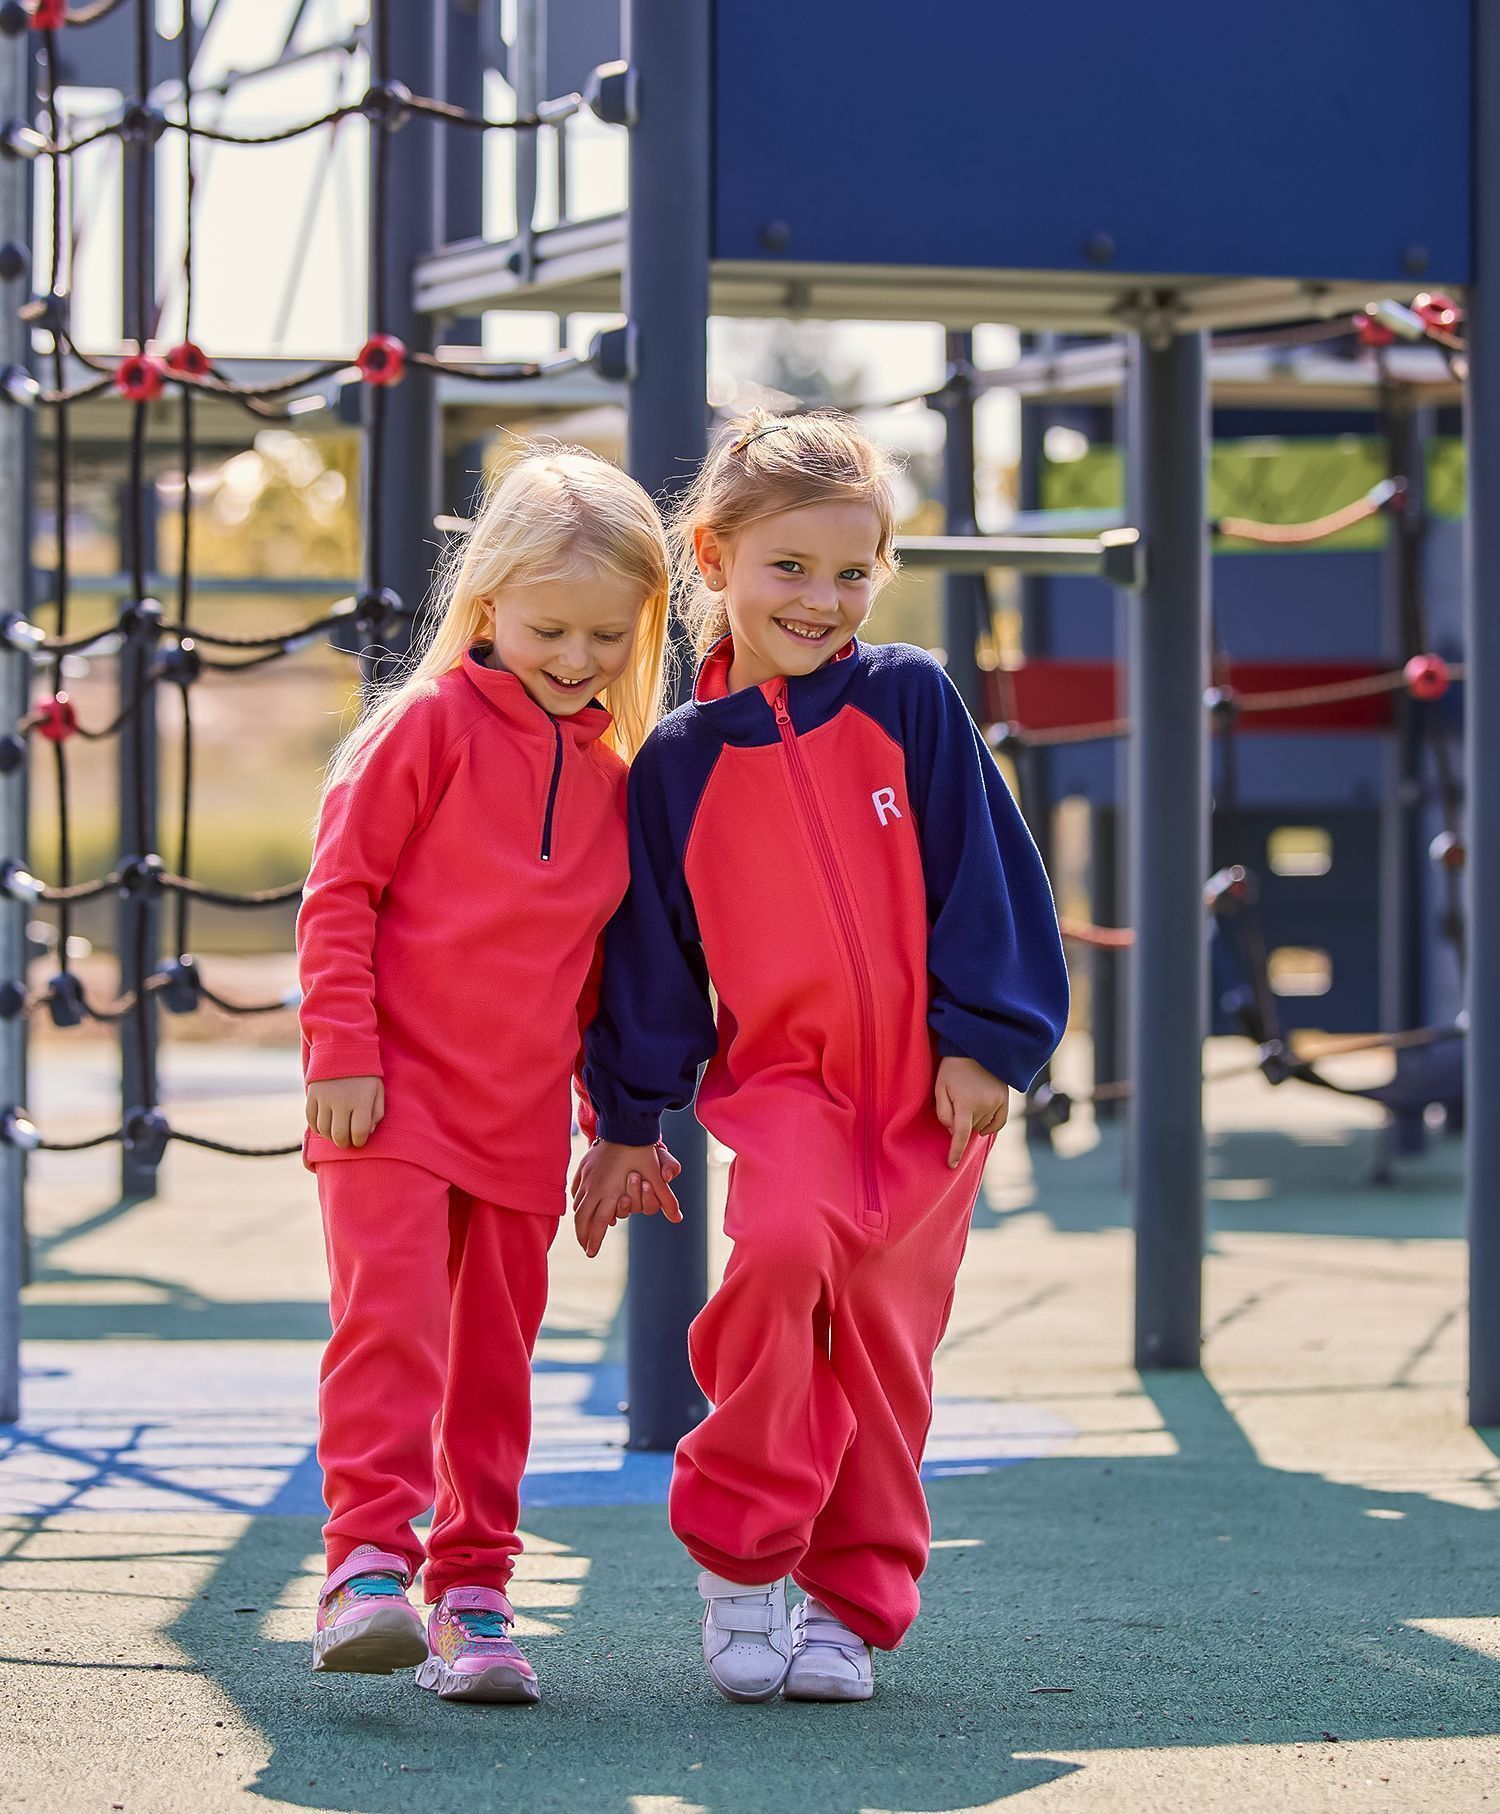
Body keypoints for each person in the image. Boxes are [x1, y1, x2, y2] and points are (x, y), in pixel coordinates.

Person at [574, 410, 1069, 1704]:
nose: (821, 598)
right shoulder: (676, 763)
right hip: (786, 1088)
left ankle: (849, 1607)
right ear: (714, 556)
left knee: (888, 1351)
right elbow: (652, 962)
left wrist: (988, 1041)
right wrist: (628, 1119)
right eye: (788, 566)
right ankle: (742, 1557)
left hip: (931, 1100)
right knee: (784, 1255)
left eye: (853, 571)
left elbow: (988, 876)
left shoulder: (911, 699)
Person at [298, 446, 672, 1704]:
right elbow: (339, 897)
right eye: (549, 628)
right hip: (388, 1104)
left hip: (517, 1125)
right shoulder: (423, 729)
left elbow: (597, 975)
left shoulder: (619, 780)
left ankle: (473, 1593)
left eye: (606, 635)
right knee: (393, 1328)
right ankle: (363, 1568)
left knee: (496, 1366)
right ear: (490, 599)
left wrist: (618, 1124)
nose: (576, 656)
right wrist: (341, 1051)